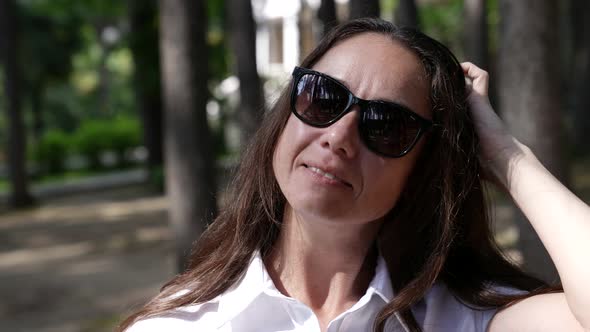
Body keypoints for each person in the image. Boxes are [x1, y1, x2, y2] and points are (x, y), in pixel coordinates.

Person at [119, 18, 590, 332]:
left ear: (424, 167)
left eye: (385, 125)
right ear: (286, 114)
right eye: (322, 98)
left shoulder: (459, 320)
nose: (339, 136)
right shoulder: (182, 324)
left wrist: (506, 155)